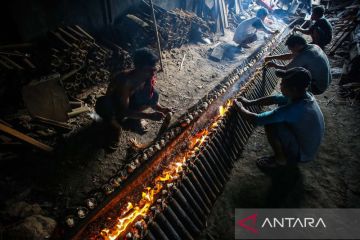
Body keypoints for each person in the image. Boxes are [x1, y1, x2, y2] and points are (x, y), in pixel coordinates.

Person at [234, 67, 324, 168]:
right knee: (278, 111)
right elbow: (275, 99)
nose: (280, 85)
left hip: (303, 153)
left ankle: (280, 160)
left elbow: (257, 120)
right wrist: (250, 102)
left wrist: (240, 108)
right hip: (307, 144)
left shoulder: (294, 109)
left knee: (271, 124)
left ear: (293, 89)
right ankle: (286, 149)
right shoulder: (303, 95)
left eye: (282, 84)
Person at [95, 48, 171, 138]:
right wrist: (148, 116)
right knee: (104, 105)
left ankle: (133, 120)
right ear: (138, 68)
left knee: (154, 94)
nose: (152, 74)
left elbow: (150, 98)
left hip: (129, 102)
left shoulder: (147, 76)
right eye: (149, 70)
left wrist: (162, 109)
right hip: (116, 105)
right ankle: (116, 128)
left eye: (154, 70)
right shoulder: (126, 81)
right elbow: (123, 111)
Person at [265, 34, 331, 95]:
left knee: (290, 76)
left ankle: (293, 98)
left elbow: (286, 69)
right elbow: (290, 56)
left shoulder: (304, 56)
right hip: (327, 81)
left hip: (318, 87)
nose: (291, 51)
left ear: (296, 45)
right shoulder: (313, 46)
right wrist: (272, 57)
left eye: (291, 49)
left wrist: (275, 65)